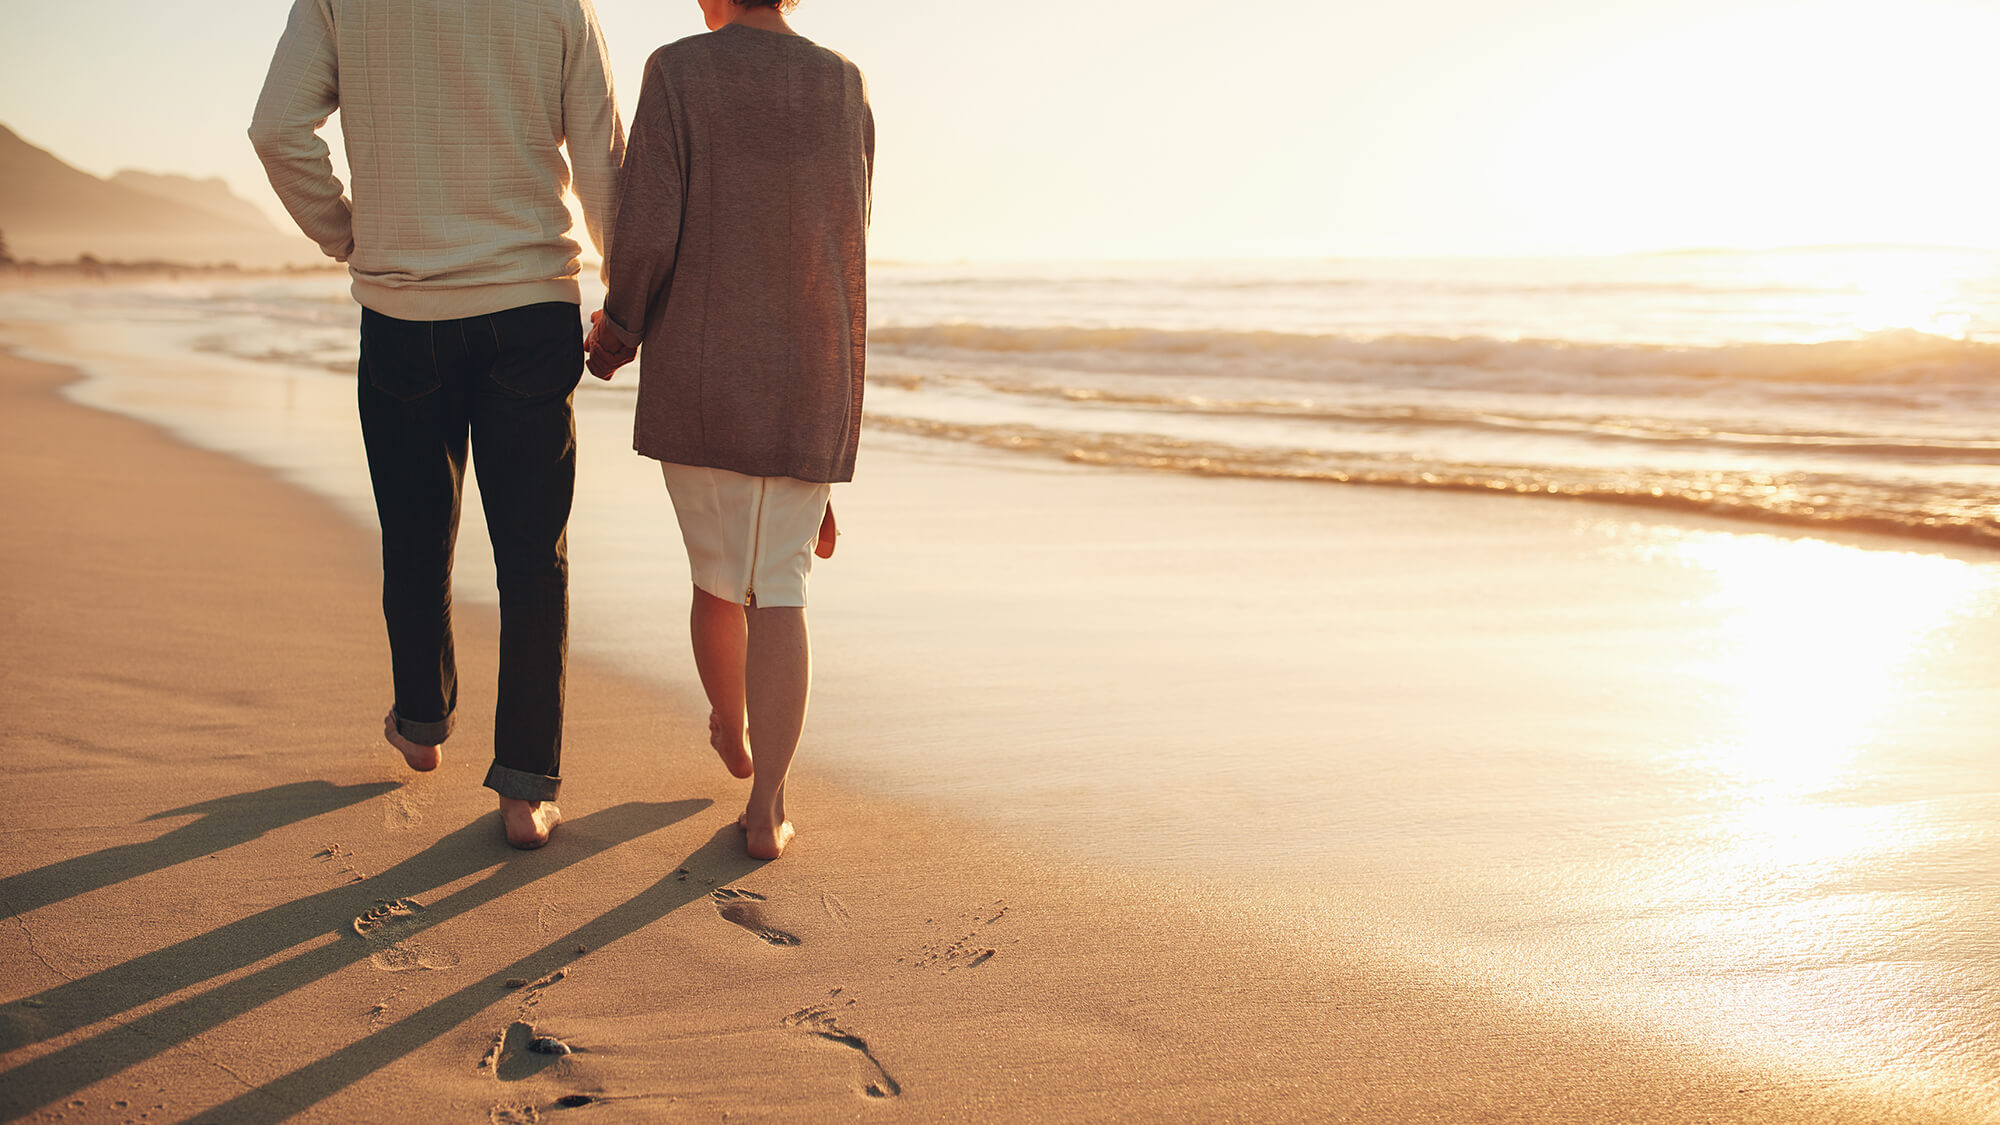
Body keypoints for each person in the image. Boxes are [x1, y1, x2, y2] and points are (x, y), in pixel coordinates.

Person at [249, 0, 625, 849]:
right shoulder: (562, 6)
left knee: (415, 533)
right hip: (530, 310)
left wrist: (350, 234)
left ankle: (421, 723)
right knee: (533, 555)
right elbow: (603, 163)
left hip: (400, 308)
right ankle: (526, 791)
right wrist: (625, 308)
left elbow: (278, 130)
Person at [585, 0, 872, 860]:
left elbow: (645, 231)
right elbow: (848, 239)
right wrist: (832, 429)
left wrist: (619, 331)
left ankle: (733, 726)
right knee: (781, 586)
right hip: (810, 375)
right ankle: (768, 803)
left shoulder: (678, 71)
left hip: (704, 379)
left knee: (718, 578)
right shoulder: (844, 84)